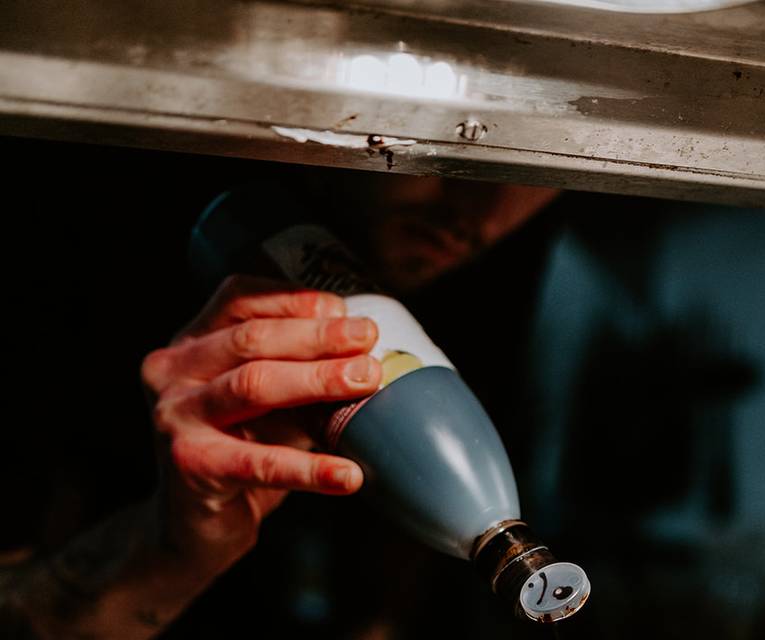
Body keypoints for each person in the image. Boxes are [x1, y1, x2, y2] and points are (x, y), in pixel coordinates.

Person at [0, 174, 559, 640]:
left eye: (541, 161)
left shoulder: (492, 270)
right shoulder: (81, 231)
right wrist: (169, 552)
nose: (483, 209)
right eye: (463, 130)